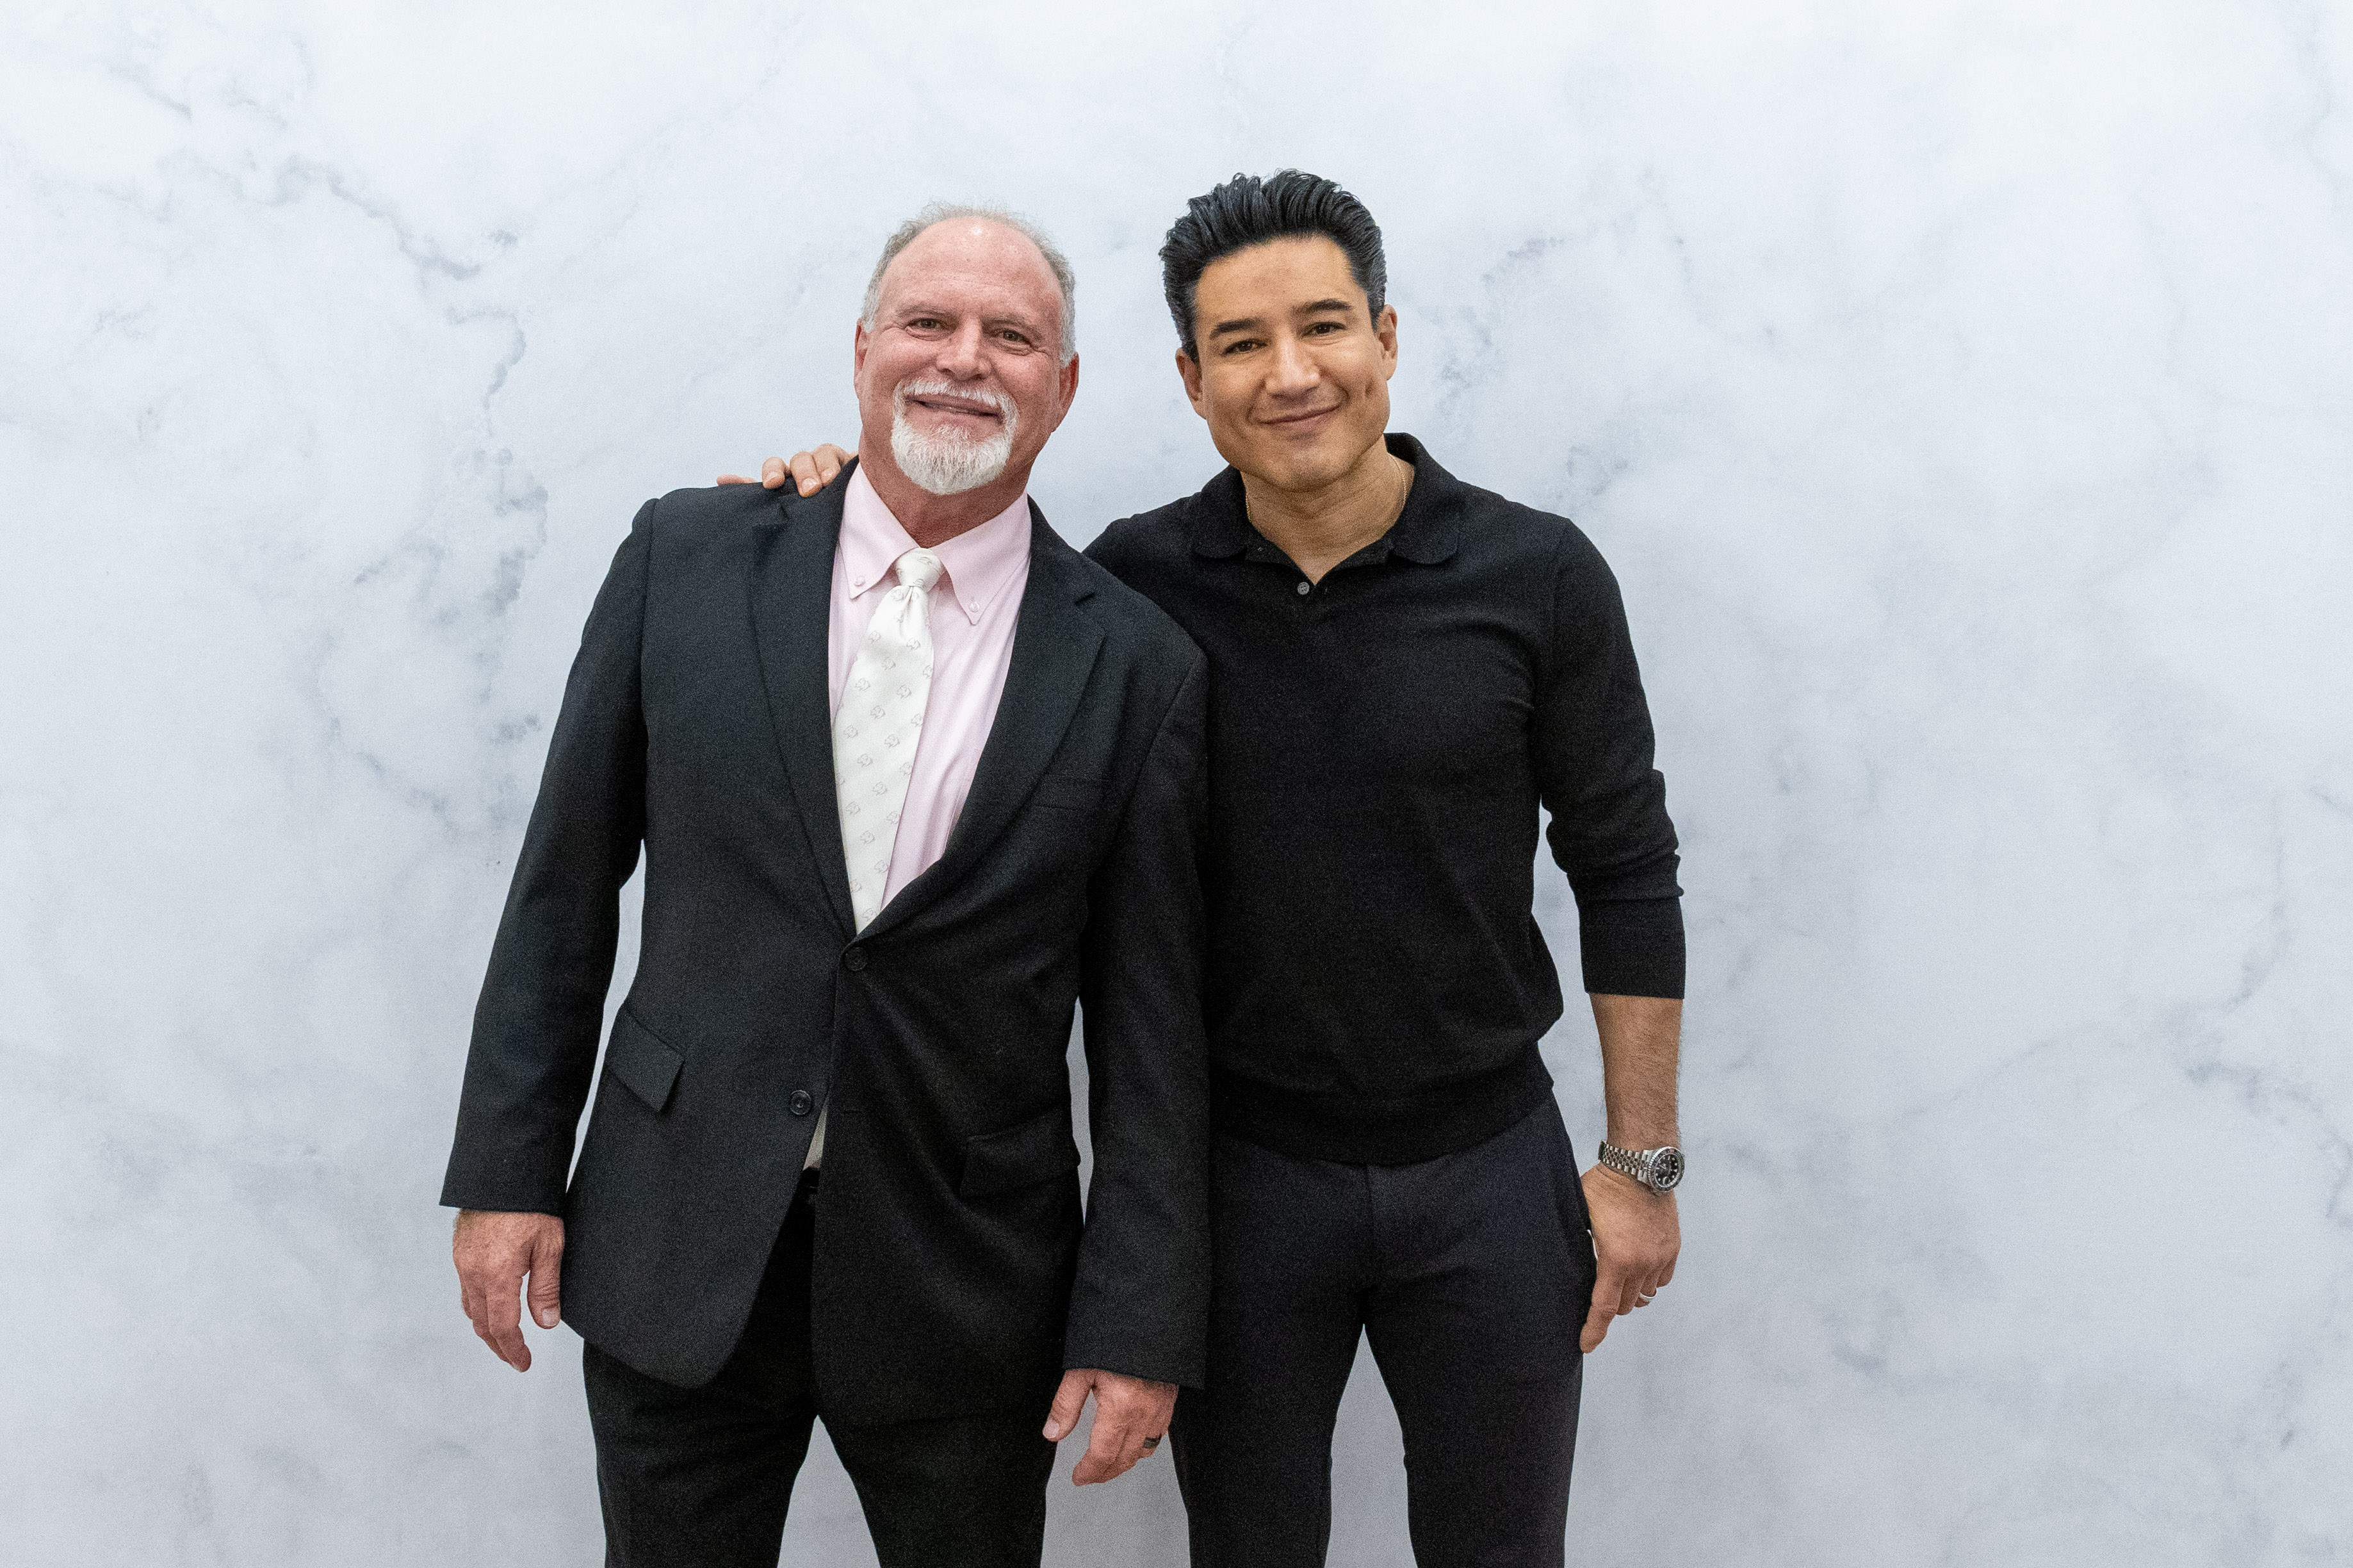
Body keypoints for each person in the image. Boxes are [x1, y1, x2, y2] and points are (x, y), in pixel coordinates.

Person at [748, 170, 1686, 1568]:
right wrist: (819, 505)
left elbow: (1624, 867)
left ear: (1384, 337)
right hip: (1240, 1184)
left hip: (1490, 1168)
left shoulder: (1537, 574)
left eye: (1324, 327)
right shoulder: (1130, 588)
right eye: (1241, 343)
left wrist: (1640, 1164)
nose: (1289, 374)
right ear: (1192, 381)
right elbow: (948, 592)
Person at [442, 203, 1211, 1568]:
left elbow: (1151, 1027)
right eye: (927, 321)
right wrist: (508, 1174)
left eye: (1010, 335)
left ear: (1064, 386)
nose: (962, 358)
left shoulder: (1136, 663)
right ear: (863, 351)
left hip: (964, 1275)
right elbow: (563, 884)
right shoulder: (683, 558)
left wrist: (1138, 1316)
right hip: (674, 1229)